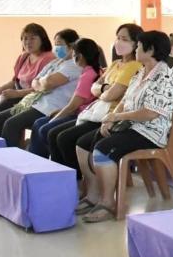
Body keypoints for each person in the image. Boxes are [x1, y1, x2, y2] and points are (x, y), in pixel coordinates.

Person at [74, 31, 173, 223]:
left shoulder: (164, 76)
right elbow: (125, 99)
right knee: (82, 143)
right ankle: (94, 194)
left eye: (139, 46)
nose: (136, 49)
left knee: (102, 150)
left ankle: (108, 203)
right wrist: (111, 118)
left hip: (149, 131)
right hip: (130, 124)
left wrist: (117, 116)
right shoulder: (141, 71)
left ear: (151, 49)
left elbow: (150, 113)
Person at [48, 25, 143, 171]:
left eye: (124, 39)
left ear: (136, 43)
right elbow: (95, 87)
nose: (119, 42)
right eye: (118, 38)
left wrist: (102, 89)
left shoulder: (134, 66)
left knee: (64, 138)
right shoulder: (115, 64)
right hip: (96, 113)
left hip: (109, 116)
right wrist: (105, 88)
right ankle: (63, 176)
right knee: (54, 133)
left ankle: (78, 178)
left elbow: (112, 95)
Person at [0, 29, 83, 147]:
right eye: (56, 45)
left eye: (60, 45)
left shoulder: (74, 65)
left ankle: (10, 160)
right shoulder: (56, 62)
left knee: (11, 124)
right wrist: (42, 84)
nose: (57, 48)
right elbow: (35, 81)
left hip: (51, 107)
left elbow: (48, 83)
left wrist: (42, 83)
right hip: (36, 102)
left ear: (71, 46)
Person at [27, 38, 103, 158]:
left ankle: (57, 164)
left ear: (80, 56)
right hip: (78, 112)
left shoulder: (87, 75)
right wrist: (58, 113)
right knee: (39, 123)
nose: (72, 56)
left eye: (74, 53)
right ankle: (36, 158)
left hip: (81, 115)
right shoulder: (93, 71)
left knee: (46, 129)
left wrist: (55, 118)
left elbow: (73, 106)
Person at [0, 23, 52, 119]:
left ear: (42, 40)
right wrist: (1, 89)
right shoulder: (24, 56)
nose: (28, 42)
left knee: (2, 107)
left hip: (34, 98)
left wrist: (16, 94)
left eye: (32, 38)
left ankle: (9, 133)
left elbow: (41, 89)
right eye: (25, 38)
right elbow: (15, 81)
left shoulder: (48, 58)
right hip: (18, 93)